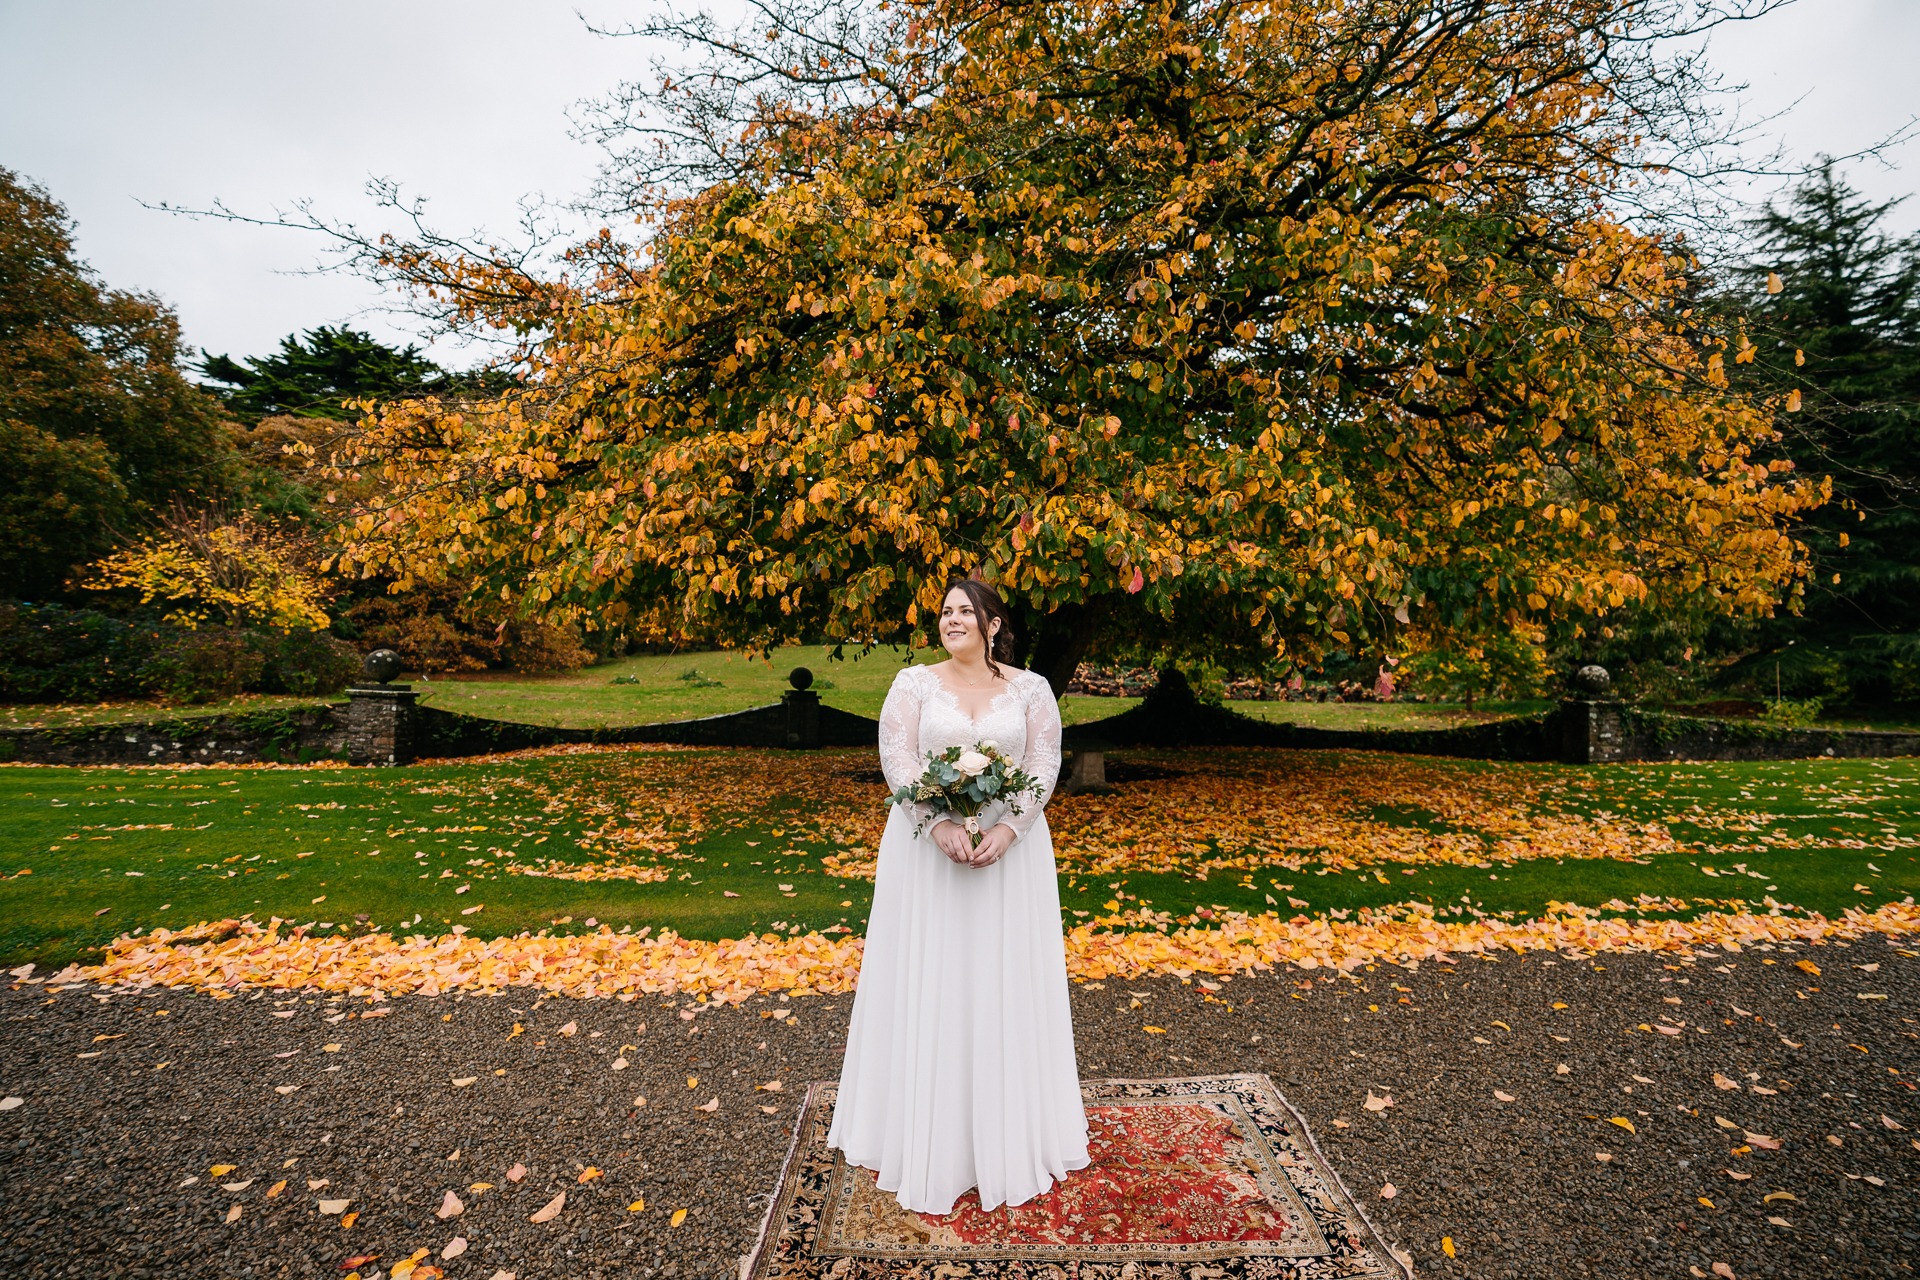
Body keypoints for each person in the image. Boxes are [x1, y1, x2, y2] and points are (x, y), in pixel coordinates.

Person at [826, 578, 1090, 1216]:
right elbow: (899, 758)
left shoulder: (1031, 689)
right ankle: (921, 1131)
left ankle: (1010, 1130)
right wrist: (938, 822)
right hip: (927, 853)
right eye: (945, 612)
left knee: (1002, 978)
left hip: (1010, 858)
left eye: (966, 611)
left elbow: (1044, 761)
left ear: (993, 624)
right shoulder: (912, 684)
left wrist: (1008, 827)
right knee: (931, 974)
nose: (953, 620)